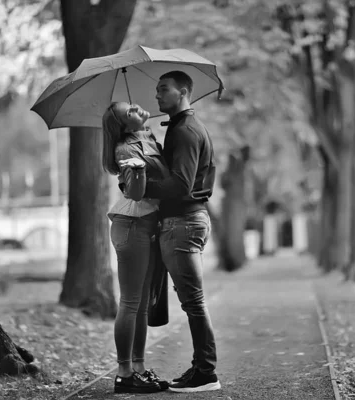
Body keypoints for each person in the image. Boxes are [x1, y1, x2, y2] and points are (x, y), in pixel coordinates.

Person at [141, 70, 221, 393]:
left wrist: (143, 187)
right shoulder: (182, 128)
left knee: (194, 302)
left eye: (164, 89)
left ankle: (206, 373)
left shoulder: (186, 131)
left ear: (184, 92)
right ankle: (201, 368)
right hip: (189, 221)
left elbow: (180, 185)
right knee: (193, 301)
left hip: (184, 223)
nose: (157, 96)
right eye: (157, 89)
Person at [102, 101, 170, 394]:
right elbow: (136, 192)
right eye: (128, 111)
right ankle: (123, 372)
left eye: (132, 104)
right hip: (132, 223)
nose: (136, 108)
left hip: (146, 223)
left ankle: (138, 369)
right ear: (123, 124)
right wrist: (139, 171)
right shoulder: (126, 149)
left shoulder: (147, 137)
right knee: (131, 302)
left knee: (142, 305)